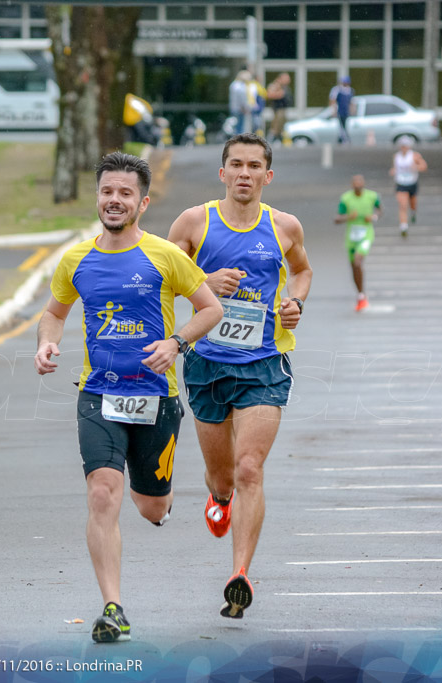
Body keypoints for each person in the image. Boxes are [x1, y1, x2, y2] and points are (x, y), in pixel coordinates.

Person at [34, 152, 222, 642]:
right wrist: (46, 341)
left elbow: (211, 308)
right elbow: (54, 313)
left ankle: (167, 493)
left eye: (124, 194)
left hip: (156, 396)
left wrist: (177, 342)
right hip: (98, 393)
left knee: (150, 508)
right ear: (97, 197)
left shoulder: (164, 255)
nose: (114, 201)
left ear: (142, 202)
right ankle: (112, 606)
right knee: (102, 492)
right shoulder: (76, 259)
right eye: (106, 192)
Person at [168, 133, 312, 619]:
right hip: (207, 362)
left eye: (255, 166)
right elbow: (160, 273)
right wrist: (202, 282)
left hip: (263, 363)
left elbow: (303, 272)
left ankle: (239, 575)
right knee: (224, 474)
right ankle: (218, 497)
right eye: (236, 164)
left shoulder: (285, 226)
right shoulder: (194, 221)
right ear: (223, 172)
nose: (245, 173)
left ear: (267, 176)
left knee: (251, 467)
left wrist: (295, 302)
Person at [334, 174, 382, 312]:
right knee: (354, 267)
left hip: (366, 234)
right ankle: (361, 295)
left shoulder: (372, 196)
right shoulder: (346, 198)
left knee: (357, 261)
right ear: (352, 185)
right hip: (352, 236)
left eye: (360, 183)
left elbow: (379, 209)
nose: (358, 185)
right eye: (355, 183)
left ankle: (361, 296)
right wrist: (349, 217)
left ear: (363, 184)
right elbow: (337, 218)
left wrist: (374, 216)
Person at [390, 135, 427, 237]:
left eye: (405, 146)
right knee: (402, 205)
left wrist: (416, 167)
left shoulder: (415, 156)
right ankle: (403, 226)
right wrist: (393, 171)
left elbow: (424, 166)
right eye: (402, 146)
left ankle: (413, 212)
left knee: (413, 203)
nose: (403, 148)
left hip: (412, 182)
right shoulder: (396, 156)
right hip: (401, 183)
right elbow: (395, 168)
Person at [266, 73, 292, 143]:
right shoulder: (276, 85)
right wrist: (280, 93)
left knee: (281, 127)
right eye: (286, 78)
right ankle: (270, 140)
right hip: (278, 109)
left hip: (283, 109)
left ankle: (278, 140)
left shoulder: (284, 86)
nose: (288, 80)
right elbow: (269, 95)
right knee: (276, 126)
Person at [328, 74, 354, 144]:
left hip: (346, 112)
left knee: (344, 126)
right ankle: (344, 139)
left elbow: (351, 102)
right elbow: (333, 100)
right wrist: (334, 111)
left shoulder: (350, 90)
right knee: (341, 126)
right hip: (340, 111)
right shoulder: (337, 89)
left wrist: (352, 110)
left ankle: (342, 139)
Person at [229, 70, 252, 135]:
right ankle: (238, 142)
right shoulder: (240, 86)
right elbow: (242, 98)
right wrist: (245, 107)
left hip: (234, 108)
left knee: (235, 125)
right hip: (240, 109)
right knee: (240, 127)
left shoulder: (233, 85)